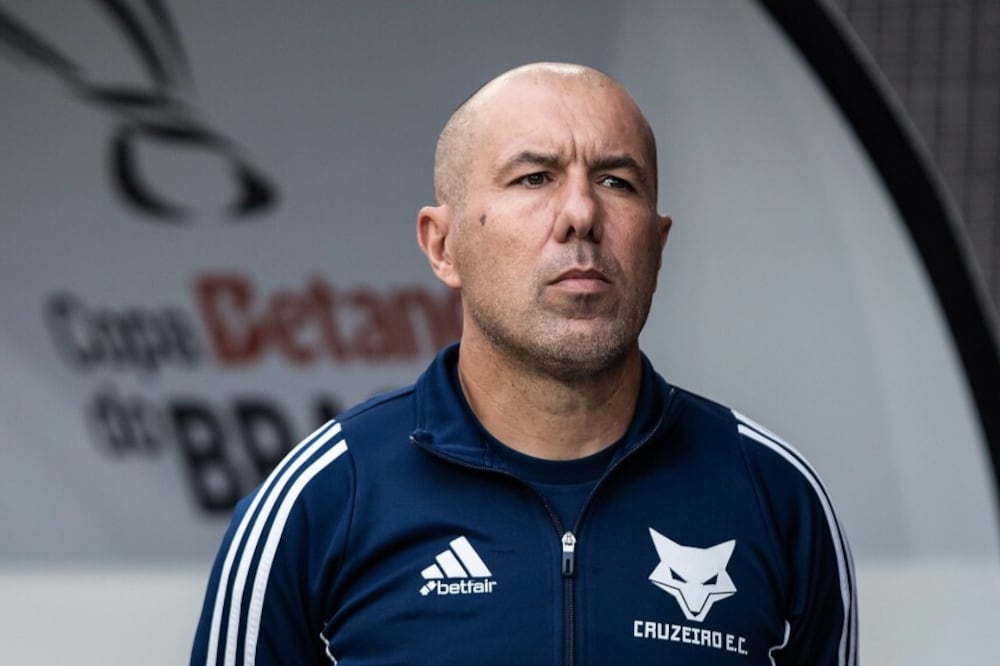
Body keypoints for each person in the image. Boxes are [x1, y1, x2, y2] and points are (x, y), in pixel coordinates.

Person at [191, 62, 857, 665]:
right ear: (443, 245)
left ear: (657, 246)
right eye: (534, 177)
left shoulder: (777, 499)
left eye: (616, 181)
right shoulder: (319, 503)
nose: (581, 214)